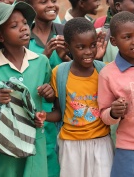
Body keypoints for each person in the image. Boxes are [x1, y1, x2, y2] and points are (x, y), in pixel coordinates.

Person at [0, 1, 55, 177]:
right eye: (14, 26)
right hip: (5, 142)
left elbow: (51, 103)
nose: (23, 28)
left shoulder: (41, 62)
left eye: (24, 23)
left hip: (35, 138)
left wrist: (50, 94)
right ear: (0, 37)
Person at [52, 17, 113, 177]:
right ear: (68, 47)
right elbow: (59, 112)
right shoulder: (59, 73)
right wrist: (44, 116)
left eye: (92, 45)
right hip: (70, 144)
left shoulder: (105, 71)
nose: (89, 51)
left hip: (101, 142)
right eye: (81, 47)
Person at [98, 11, 134, 177]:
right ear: (114, 41)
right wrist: (114, 112)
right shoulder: (108, 74)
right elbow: (104, 114)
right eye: (127, 37)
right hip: (130, 149)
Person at [24, 0, 69, 177]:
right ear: (30, 7)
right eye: (43, 2)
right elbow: (23, 70)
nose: (51, 5)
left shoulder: (65, 31)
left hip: (69, 108)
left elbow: (83, 64)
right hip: (40, 110)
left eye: (53, 0)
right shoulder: (24, 37)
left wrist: (65, 55)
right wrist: (46, 53)